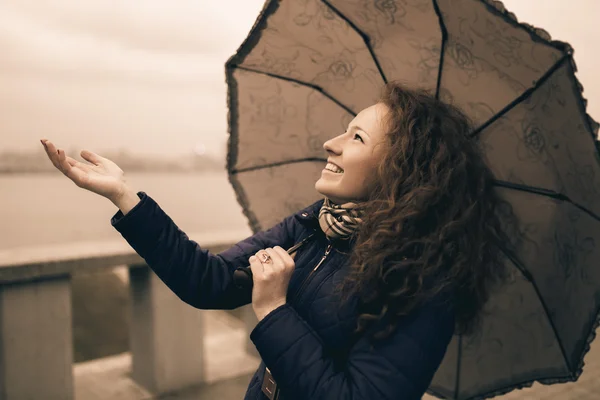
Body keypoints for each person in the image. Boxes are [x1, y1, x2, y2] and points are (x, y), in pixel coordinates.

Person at [41, 82, 517, 400]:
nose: (330, 143)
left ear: (402, 168)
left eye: (355, 137)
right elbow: (210, 282)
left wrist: (273, 310)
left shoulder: (426, 279)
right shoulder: (316, 224)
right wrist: (125, 196)